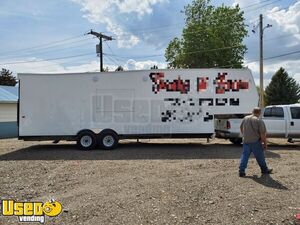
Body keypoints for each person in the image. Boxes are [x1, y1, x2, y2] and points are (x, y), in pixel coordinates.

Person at [239, 107, 272, 177]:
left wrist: (244, 135)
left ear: (252, 111)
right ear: (259, 113)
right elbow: (262, 134)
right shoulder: (259, 120)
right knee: (260, 156)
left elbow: (241, 128)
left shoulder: (245, 118)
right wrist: (265, 144)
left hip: (246, 141)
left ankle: (241, 171)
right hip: (255, 142)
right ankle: (264, 170)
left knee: (245, 156)